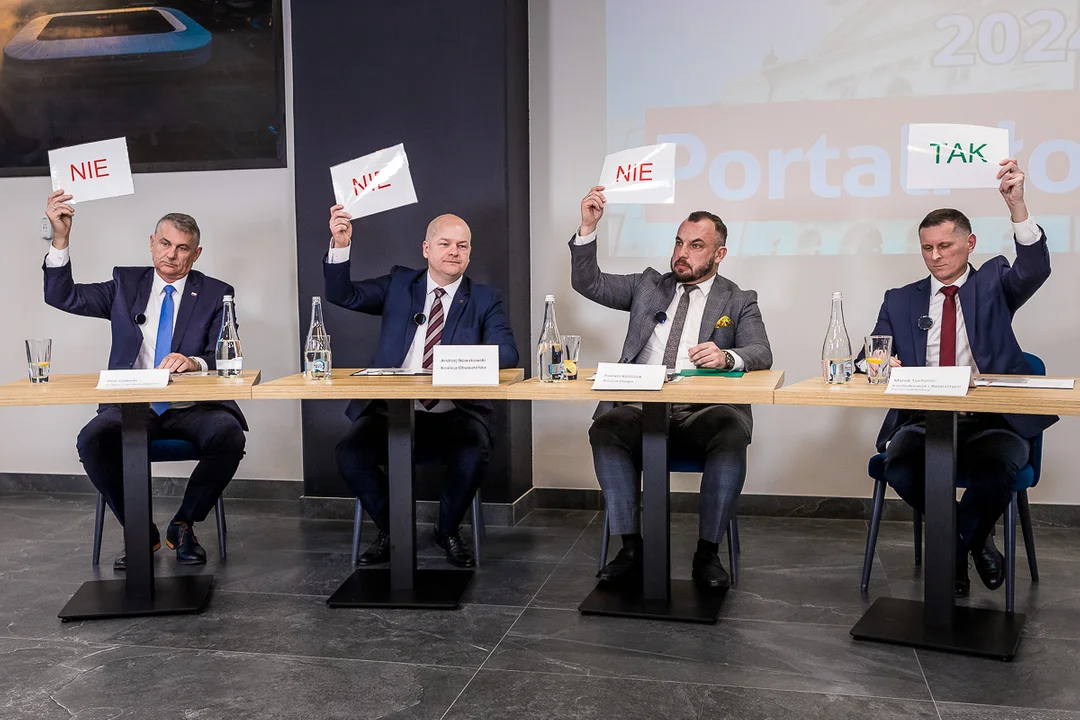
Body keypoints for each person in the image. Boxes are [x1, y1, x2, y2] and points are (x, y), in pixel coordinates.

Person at [865, 159, 1057, 598]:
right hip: (923, 421)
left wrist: (1017, 206)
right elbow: (869, 356)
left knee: (999, 470)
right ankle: (971, 543)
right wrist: (882, 364)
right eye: (927, 248)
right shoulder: (900, 300)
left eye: (945, 246)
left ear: (969, 244)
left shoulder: (993, 283)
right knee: (898, 466)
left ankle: (951, 553)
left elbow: (1034, 269)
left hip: (992, 421)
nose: (936, 256)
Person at [571, 186, 773, 589]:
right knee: (606, 428)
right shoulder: (649, 286)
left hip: (701, 413)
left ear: (719, 254)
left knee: (731, 430)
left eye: (696, 246)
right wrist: (588, 227)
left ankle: (707, 553)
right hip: (641, 409)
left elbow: (761, 352)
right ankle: (631, 549)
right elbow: (589, 283)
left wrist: (727, 356)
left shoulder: (738, 299)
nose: (683, 253)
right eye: (679, 242)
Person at [42, 189, 247, 570]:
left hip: (192, 407)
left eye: (183, 248)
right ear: (152, 243)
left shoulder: (217, 293)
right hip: (132, 405)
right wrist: (61, 238)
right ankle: (140, 531)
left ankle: (183, 525)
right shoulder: (125, 284)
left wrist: (193, 362)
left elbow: (226, 354)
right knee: (92, 440)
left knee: (229, 435)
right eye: (165, 244)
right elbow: (62, 296)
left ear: (196, 254)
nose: (172, 255)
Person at [325, 205, 519, 568]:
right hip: (391, 412)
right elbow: (343, 295)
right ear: (426, 249)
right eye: (445, 244)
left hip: (453, 412)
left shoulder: (484, 298)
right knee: (349, 453)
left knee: (474, 451)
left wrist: (452, 363)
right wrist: (340, 244)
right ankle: (394, 529)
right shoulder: (400, 285)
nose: (454, 252)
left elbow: (508, 353)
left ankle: (447, 531)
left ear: (469, 253)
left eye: (462, 246)